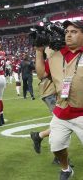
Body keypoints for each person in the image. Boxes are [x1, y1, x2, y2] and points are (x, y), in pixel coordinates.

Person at [35, 20, 83, 180]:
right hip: (61, 112)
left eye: (74, 32)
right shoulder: (57, 55)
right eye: (67, 31)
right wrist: (38, 50)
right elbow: (41, 74)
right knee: (56, 146)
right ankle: (66, 168)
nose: (69, 34)